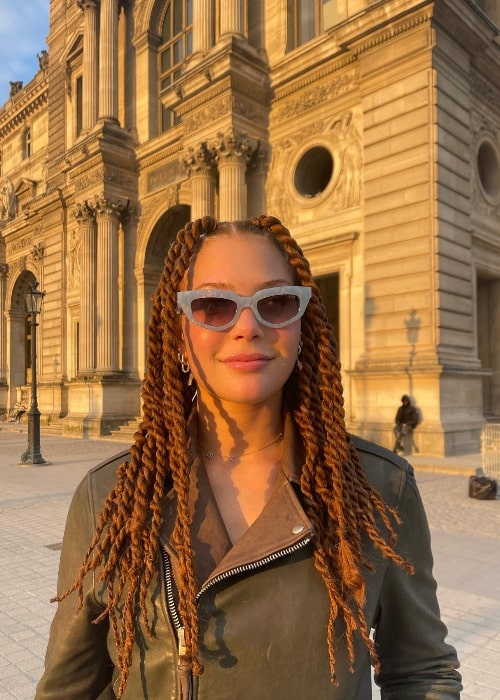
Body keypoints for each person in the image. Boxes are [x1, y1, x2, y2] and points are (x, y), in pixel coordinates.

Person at [35, 216, 461, 699]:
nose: (247, 327)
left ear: (302, 324)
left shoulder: (378, 489)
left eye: (275, 302)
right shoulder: (108, 497)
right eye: (214, 306)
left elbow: (424, 673)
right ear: (179, 333)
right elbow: (70, 690)